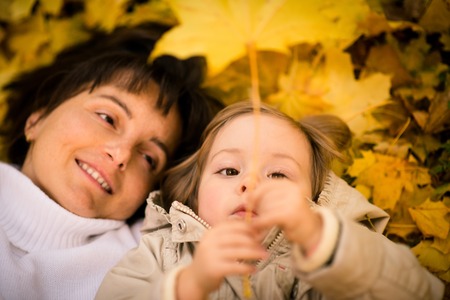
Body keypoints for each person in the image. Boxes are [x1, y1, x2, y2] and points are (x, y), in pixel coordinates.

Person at [95, 101, 444, 299]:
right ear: (194, 191)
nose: (251, 183)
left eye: (278, 175)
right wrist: (190, 284)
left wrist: (320, 238)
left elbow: (419, 293)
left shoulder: (334, 248)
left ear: (315, 195)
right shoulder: (162, 252)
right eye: (229, 171)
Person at [0, 25, 223, 300]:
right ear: (37, 118)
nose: (121, 155)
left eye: (148, 157)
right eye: (107, 118)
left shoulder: (153, 260)